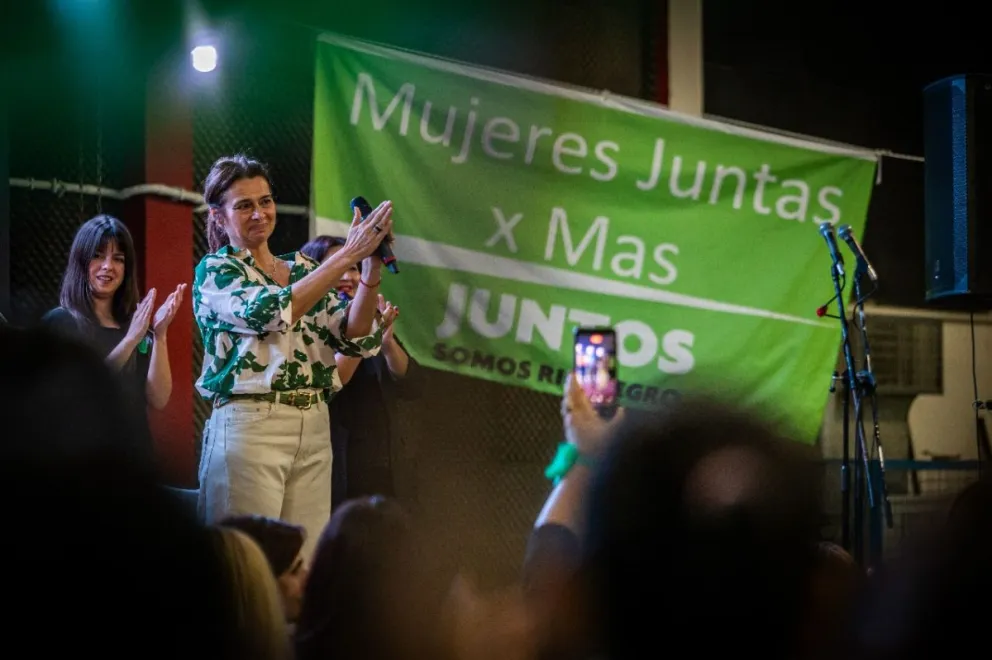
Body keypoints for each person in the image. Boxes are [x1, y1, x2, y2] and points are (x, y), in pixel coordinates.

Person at [194, 154, 396, 560]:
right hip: (251, 425)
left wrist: (370, 267)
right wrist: (347, 255)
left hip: (314, 424)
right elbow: (274, 311)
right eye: (244, 205)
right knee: (248, 564)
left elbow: (353, 334)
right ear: (218, 216)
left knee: (303, 563)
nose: (259, 213)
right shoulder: (217, 270)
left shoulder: (303, 268)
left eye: (265, 201)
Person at [41, 214, 185, 455]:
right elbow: (83, 391)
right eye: (98, 255)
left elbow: (159, 399)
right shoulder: (60, 323)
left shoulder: (135, 326)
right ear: (81, 260)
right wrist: (130, 340)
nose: (108, 266)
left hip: (134, 460)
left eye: (118, 259)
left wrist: (160, 335)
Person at [300, 235, 424, 507]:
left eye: (355, 267)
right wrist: (366, 335)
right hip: (332, 465)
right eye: (338, 266)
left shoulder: (374, 320)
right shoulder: (304, 326)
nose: (348, 276)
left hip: (384, 463)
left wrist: (387, 344)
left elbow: (412, 385)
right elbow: (331, 382)